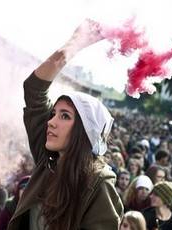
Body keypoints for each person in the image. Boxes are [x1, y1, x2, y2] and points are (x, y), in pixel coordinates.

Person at [7, 19, 123, 230]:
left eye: (65, 116)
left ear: (85, 131)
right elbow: (34, 89)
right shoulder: (48, 161)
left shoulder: (99, 183)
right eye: (53, 114)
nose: (50, 122)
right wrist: (74, 44)